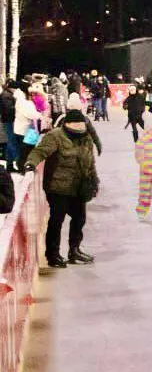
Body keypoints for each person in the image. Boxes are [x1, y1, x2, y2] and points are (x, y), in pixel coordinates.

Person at [26, 109, 98, 269]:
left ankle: (74, 250)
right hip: (57, 186)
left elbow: (90, 161)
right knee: (57, 220)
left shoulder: (86, 137)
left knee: (80, 218)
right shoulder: (55, 136)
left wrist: (93, 180)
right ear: (67, 125)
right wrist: (30, 164)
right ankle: (53, 255)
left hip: (78, 186)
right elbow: (39, 152)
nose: (79, 131)